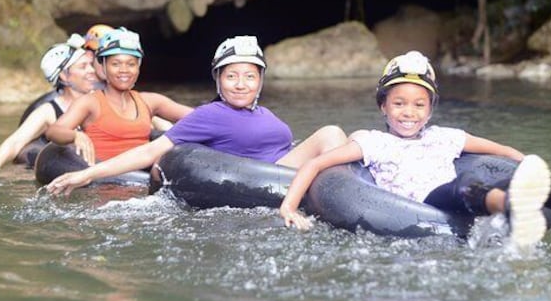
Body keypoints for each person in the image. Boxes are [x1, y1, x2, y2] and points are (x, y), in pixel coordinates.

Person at [277, 50, 551, 244]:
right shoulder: (371, 141)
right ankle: (514, 209)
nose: (408, 113)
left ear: (431, 108)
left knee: (521, 182)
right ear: (383, 106)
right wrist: (289, 207)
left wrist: (524, 162)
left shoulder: (445, 136)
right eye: (398, 103)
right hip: (426, 200)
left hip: (459, 187)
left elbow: (500, 148)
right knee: (465, 190)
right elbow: (318, 165)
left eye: (419, 104)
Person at [45, 35, 347, 196]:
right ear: (218, 80)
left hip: (285, 164)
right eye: (231, 76)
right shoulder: (211, 115)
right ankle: (339, 197)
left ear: (261, 80)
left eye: (249, 76)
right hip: (267, 177)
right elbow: (153, 149)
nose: (241, 84)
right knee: (331, 133)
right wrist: (87, 173)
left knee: (352, 138)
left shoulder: (262, 111)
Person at [44, 27, 193, 164]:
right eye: (115, 64)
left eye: (131, 64)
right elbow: (54, 131)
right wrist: (75, 136)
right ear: (103, 67)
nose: (124, 70)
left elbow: (199, 116)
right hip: (102, 183)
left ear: (138, 68)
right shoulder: (90, 102)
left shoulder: (151, 101)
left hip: (142, 182)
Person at [0, 34, 98, 173]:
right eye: (83, 67)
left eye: (90, 65)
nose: (92, 70)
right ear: (63, 75)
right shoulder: (48, 111)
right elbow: (16, 141)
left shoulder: (102, 99)